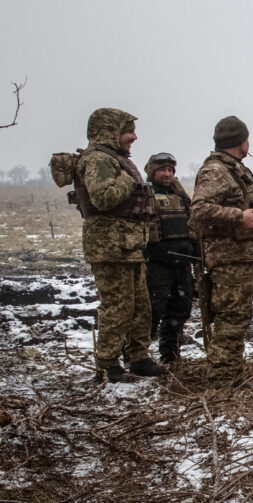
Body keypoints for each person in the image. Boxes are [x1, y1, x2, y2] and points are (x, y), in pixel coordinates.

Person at [189, 115, 253, 389]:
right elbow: (199, 210)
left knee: (237, 320)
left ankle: (232, 376)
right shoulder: (217, 170)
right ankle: (221, 382)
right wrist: (239, 217)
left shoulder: (234, 169)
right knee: (229, 322)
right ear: (242, 141)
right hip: (228, 259)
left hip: (239, 258)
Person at [73, 108, 161, 383]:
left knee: (140, 306)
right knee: (118, 306)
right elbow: (102, 198)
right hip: (109, 246)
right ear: (110, 131)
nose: (134, 137)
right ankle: (107, 364)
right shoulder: (98, 159)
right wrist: (125, 179)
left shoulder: (116, 159)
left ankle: (138, 356)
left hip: (129, 245)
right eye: (128, 131)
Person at [144, 152, 200, 365]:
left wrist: (196, 252)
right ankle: (138, 354)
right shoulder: (144, 195)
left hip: (182, 262)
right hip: (157, 263)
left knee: (181, 307)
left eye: (170, 170)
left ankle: (170, 353)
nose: (167, 174)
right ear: (152, 172)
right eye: (162, 170)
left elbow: (193, 224)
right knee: (153, 309)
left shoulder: (181, 196)